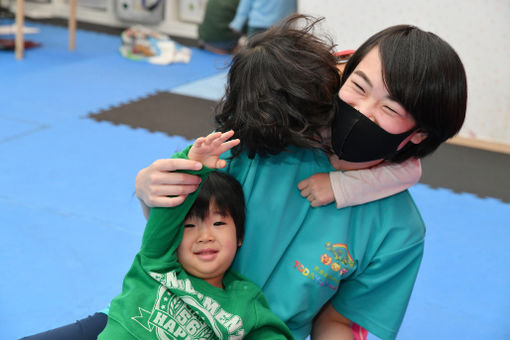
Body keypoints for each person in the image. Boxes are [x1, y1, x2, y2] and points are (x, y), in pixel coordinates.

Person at [23, 15, 467, 340]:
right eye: (358, 87)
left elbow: (342, 320)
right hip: (152, 317)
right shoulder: (270, 140)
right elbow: (175, 211)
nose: (363, 111)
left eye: (389, 109)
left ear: (418, 134)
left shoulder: (398, 230)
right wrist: (148, 187)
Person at [98, 130, 293, 339]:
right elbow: (168, 214)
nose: (205, 236)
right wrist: (192, 165)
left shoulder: (245, 300)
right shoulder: (156, 261)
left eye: (218, 223)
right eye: (190, 227)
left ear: (239, 236)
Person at [229, 0, 297, 36]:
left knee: (253, 57)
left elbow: (245, 5)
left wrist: (237, 23)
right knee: (279, 58)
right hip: (281, 26)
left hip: (257, 25)